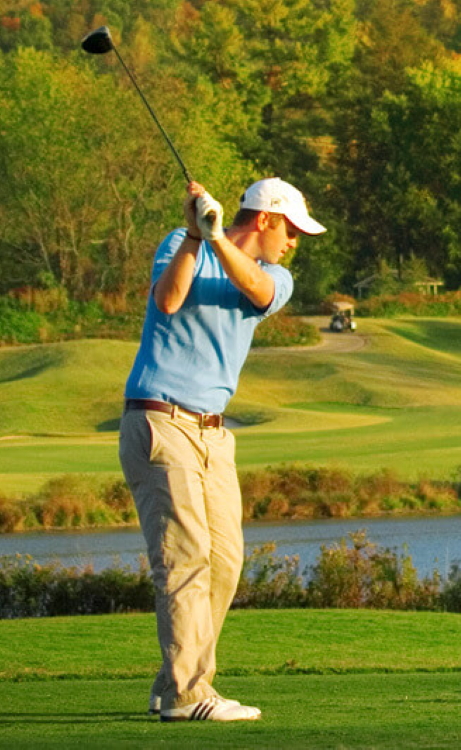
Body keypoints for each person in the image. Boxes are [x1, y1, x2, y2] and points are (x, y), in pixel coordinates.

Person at [118, 177, 325, 722]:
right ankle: (189, 694)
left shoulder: (277, 277)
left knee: (225, 563)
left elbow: (255, 288)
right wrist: (193, 235)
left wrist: (214, 239)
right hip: (161, 422)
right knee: (185, 563)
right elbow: (168, 299)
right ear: (266, 219)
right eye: (293, 230)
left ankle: (174, 685)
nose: (295, 241)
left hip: (213, 433)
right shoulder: (176, 243)